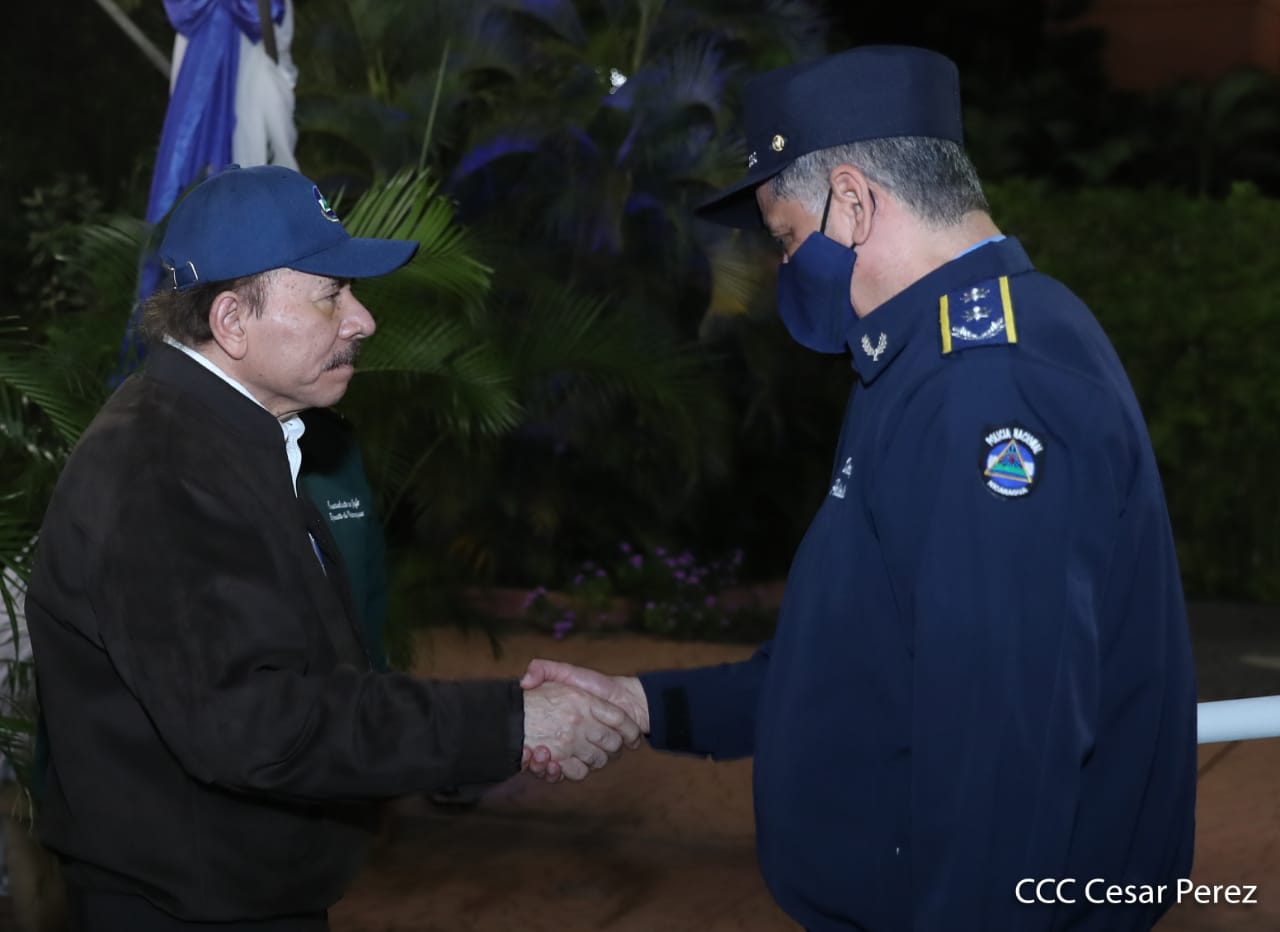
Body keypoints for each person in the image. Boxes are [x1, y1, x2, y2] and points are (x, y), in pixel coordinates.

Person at [523, 45, 1198, 931]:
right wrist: (650, 706)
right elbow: (870, 657)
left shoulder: (984, 389)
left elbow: (1003, 751)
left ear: (852, 201)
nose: (782, 268)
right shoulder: (938, 352)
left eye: (785, 238)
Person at [24, 164, 639, 931]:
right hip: (188, 909)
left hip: (231, 891)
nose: (363, 320)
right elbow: (256, 723)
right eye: (331, 294)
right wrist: (509, 724)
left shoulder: (225, 439)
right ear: (231, 321)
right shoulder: (161, 470)